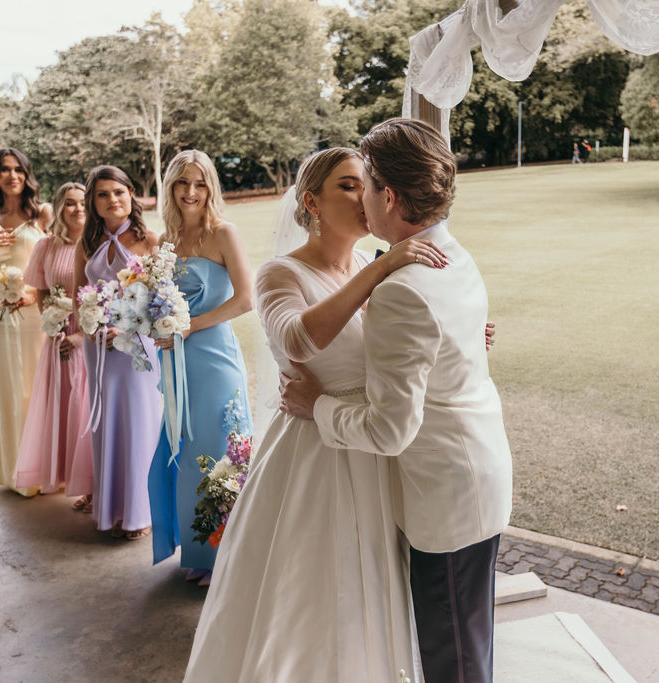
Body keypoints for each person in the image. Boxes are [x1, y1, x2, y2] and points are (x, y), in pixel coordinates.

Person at [184, 147, 446, 682]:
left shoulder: (376, 272)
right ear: (312, 202)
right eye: (347, 186)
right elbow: (298, 339)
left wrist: (459, 337)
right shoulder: (282, 273)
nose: (364, 196)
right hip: (311, 459)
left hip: (370, 449)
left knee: (365, 592)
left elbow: (400, 351)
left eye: (365, 185)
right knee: (309, 594)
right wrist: (382, 268)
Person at [281, 118, 513, 683]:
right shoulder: (452, 252)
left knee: (452, 655)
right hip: (476, 471)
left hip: (446, 494)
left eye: (366, 185)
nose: (362, 199)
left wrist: (318, 407)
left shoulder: (402, 287)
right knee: (468, 641)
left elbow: (390, 432)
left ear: (389, 195)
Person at [147, 150, 253, 583]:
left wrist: (190, 327)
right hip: (176, 359)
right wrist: (153, 324)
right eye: (182, 183)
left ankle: (227, 555)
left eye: (200, 183)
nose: (191, 192)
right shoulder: (164, 241)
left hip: (215, 358)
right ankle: (198, 552)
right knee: (187, 451)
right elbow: (155, 300)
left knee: (222, 451)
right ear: (171, 187)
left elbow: (245, 300)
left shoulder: (223, 234)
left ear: (211, 187)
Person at [73, 166, 161, 540]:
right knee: (107, 422)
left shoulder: (151, 240)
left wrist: (126, 329)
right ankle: (111, 508)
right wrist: (92, 325)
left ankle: (139, 512)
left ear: (131, 195)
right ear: (93, 202)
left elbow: (161, 302)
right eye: (103, 194)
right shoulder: (85, 243)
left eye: (119, 192)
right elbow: (80, 296)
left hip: (137, 347)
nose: (113, 200)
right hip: (100, 350)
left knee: (138, 422)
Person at [0, 148, 52, 495]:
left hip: (34, 313)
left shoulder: (43, 214)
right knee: (8, 391)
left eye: (19, 169)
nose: (12, 176)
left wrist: (34, 296)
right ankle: (14, 472)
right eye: (5, 170)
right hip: (1, 315)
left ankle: (42, 470)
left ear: (26, 174)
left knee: (36, 388)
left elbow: (55, 266)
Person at [14, 182, 93, 507]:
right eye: (70, 203)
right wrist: (54, 322)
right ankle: (71, 480)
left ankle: (92, 487)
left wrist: (80, 337)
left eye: (83, 204)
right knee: (63, 409)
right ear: (59, 207)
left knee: (86, 412)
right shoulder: (46, 246)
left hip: (89, 340)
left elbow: (105, 299)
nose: (77, 210)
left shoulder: (95, 244)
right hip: (58, 339)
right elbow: (41, 291)